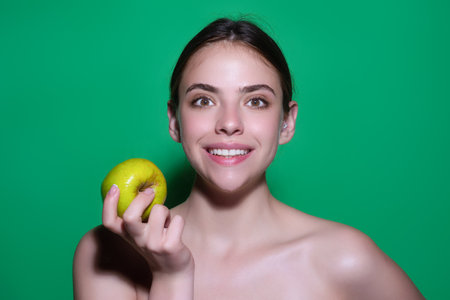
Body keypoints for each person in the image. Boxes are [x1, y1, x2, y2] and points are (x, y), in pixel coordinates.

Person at [73, 18, 424, 300]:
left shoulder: (346, 259)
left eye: (256, 101)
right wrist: (171, 276)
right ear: (174, 121)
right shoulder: (108, 254)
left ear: (286, 123)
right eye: (203, 100)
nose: (229, 123)